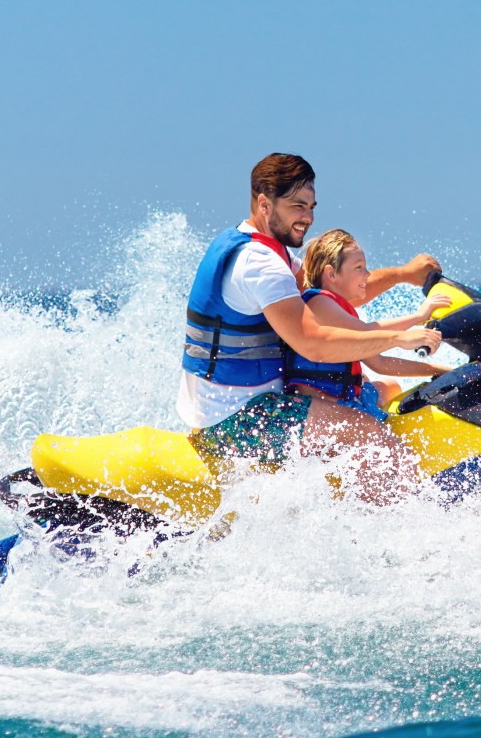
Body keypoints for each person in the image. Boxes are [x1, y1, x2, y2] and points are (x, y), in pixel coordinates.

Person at [178, 153, 441, 503]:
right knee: (368, 433)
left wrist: (404, 274)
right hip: (234, 420)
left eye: (311, 207)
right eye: (298, 206)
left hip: (236, 404)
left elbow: (334, 293)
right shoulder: (259, 265)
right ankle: (398, 524)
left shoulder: (265, 250)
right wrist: (399, 337)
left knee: (378, 389)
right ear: (264, 204)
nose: (308, 218)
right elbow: (313, 342)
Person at [287, 228, 453, 420]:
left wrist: (439, 371)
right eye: (359, 267)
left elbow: (380, 363)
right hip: (327, 407)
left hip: (347, 395)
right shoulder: (319, 303)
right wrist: (416, 319)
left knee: (391, 386)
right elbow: (368, 332)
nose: (367, 274)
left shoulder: (337, 308)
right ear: (331, 274)